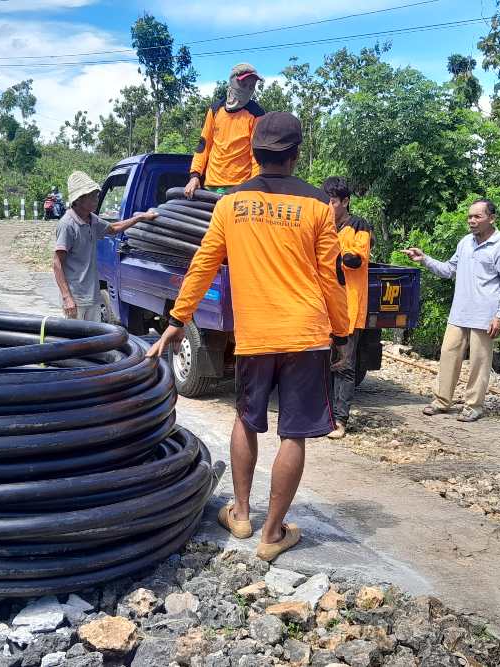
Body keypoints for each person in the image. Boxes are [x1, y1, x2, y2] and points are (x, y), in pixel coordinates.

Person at [148, 112, 349, 562]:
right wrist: (341, 332)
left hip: (256, 336)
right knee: (293, 433)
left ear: (253, 154)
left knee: (245, 418)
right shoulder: (319, 206)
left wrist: (178, 320)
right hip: (305, 335)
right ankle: (272, 534)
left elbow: (202, 264)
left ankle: (240, 515)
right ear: (296, 155)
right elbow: (331, 279)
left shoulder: (230, 204)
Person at [403, 199, 500, 422]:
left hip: (485, 316)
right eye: (470, 217)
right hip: (460, 312)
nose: (472, 221)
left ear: (491, 218)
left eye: (477, 217)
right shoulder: (465, 242)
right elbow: (449, 270)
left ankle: (474, 405)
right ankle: (441, 401)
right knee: (448, 355)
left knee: (479, 362)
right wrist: (424, 259)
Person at [53, 170, 156, 320]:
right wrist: (67, 298)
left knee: (91, 340)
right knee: (73, 341)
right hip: (76, 300)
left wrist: (140, 218)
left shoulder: (92, 220)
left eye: (96, 194)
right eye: (92, 196)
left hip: (92, 296)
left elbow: (114, 228)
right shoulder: (67, 225)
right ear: (80, 199)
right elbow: (57, 264)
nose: (97, 198)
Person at [323, 177, 374, 439]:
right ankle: (323, 416)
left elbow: (356, 260)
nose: (329, 206)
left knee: (344, 365)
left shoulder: (358, 226)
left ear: (345, 201)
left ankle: (340, 422)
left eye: (333, 202)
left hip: (349, 308)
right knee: (321, 363)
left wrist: (330, 252)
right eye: (327, 201)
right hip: (323, 308)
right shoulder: (322, 224)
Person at [184, 63, 265, 199]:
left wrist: (254, 186)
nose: (248, 90)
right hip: (211, 185)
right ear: (233, 83)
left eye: (251, 87)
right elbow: (204, 145)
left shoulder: (256, 114)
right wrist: (195, 176)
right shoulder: (216, 109)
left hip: (240, 187)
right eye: (244, 85)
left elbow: (257, 154)